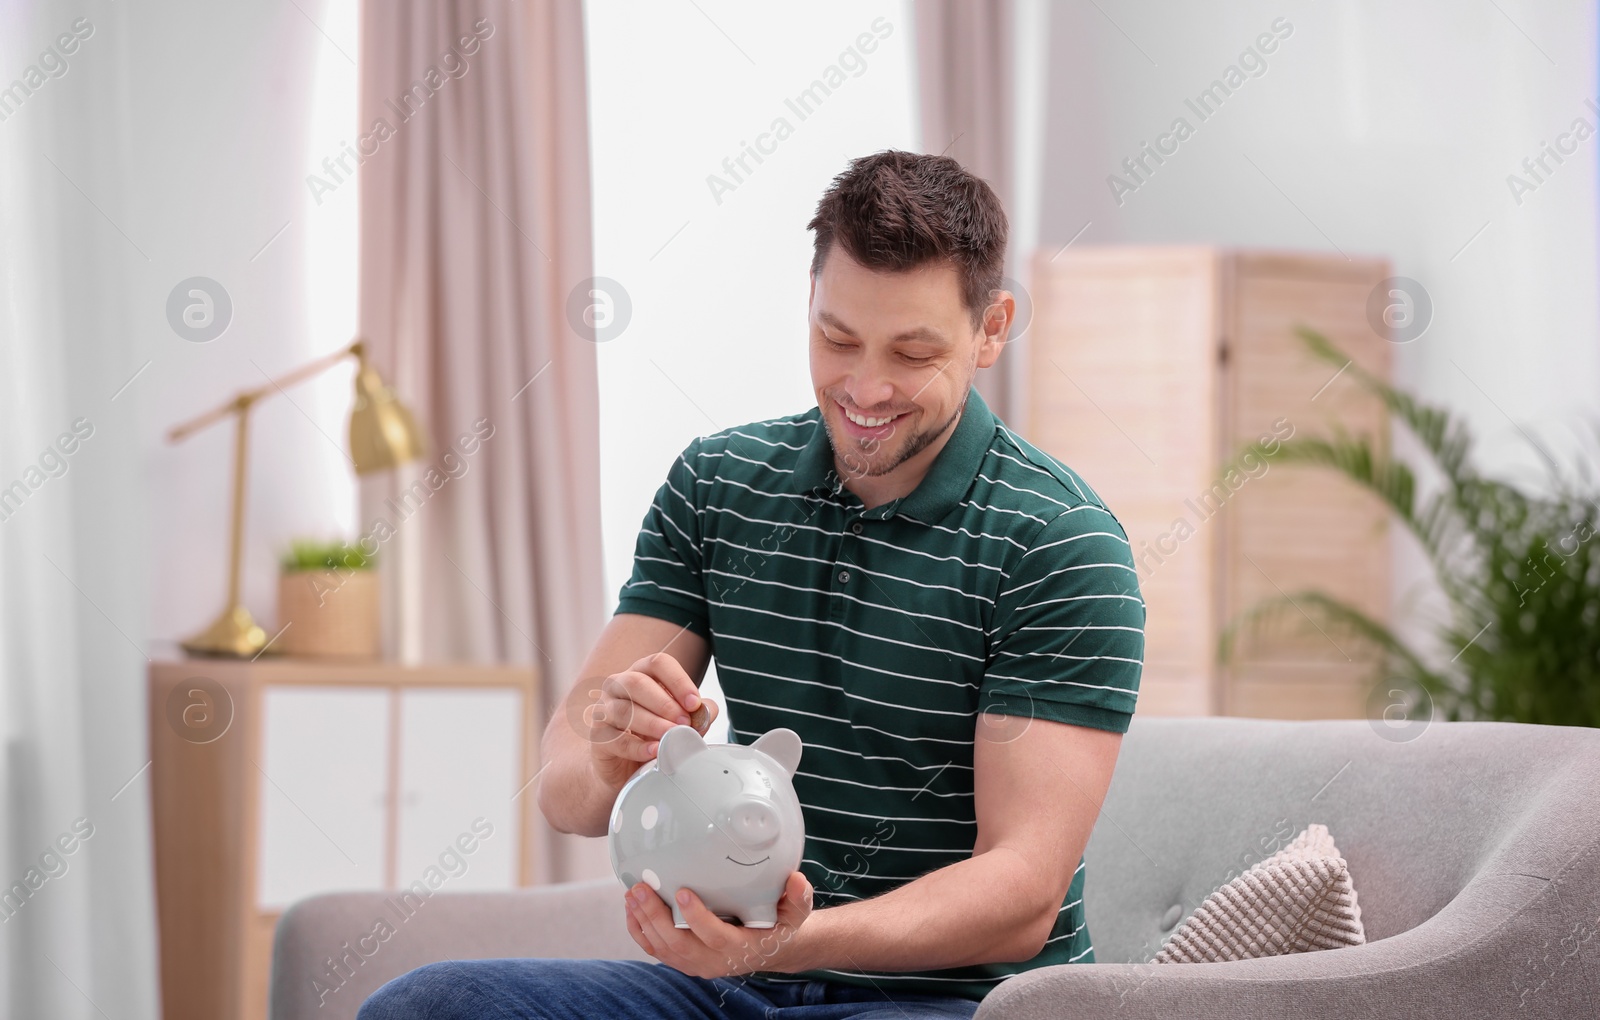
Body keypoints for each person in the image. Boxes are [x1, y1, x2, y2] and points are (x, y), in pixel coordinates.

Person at [358, 149, 1145, 1019]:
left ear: (991, 329)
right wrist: (612, 744)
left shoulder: (1058, 542)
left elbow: (1022, 895)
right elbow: (566, 792)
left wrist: (792, 940)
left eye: (912, 352)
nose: (866, 387)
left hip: (949, 1004)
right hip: (737, 987)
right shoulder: (718, 484)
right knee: (430, 1007)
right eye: (837, 339)